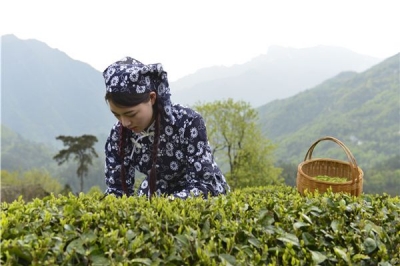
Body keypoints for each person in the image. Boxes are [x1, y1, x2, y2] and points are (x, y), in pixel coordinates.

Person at [102, 56, 230, 199]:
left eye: (130, 114)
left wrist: (170, 202)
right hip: (157, 192)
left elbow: (204, 182)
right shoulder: (118, 134)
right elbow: (116, 190)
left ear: (152, 98)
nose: (125, 122)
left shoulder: (188, 122)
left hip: (201, 192)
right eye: (117, 115)